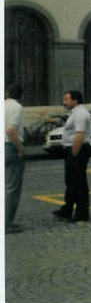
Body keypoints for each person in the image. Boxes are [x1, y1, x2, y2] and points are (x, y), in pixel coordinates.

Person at [53, 90, 91, 222]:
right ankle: (67, 209)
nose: (64, 102)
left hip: (78, 150)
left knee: (79, 182)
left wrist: (74, 154)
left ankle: (82, 213)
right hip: (73, 149)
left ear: (75, 100)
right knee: (71, 181)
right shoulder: (75, 112)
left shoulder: (81, 113)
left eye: (66, 100)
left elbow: (79, 135)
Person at [5, 84, 25, 234]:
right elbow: (11, 130)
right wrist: (20, 148)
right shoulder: (16, 107)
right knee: (12, 187)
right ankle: (7, 223)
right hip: (10, 147)